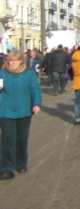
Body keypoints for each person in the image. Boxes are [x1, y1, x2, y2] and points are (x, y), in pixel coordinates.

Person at [0, 51, 42, 180]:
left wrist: (36, 104)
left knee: (21, 138)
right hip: (6, 110)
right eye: (10, 60)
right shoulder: (2, 73)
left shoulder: (28, 73)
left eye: (15, 60)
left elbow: (35, 88)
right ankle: (7, 167)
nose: (12, 63)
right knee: (8, 139)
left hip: (24, 110)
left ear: (20, 61)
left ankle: (21, 163)